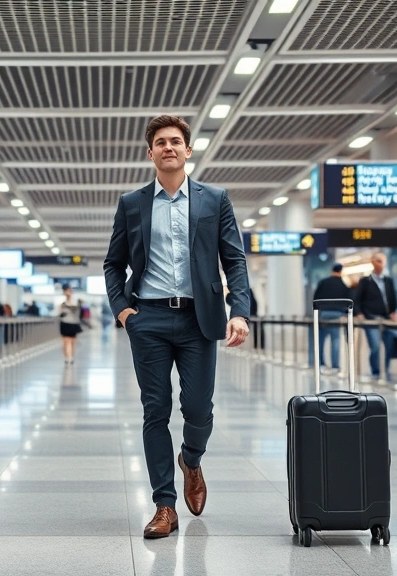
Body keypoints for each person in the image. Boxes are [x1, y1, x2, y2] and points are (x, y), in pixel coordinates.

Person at [103, 114, 250, 539]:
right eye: (160, 143)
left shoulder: (214, 199)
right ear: (150, 154)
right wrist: (122, 311)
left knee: (199, 409)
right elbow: (113, 264)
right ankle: (164, 505)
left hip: (198, 318)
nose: (168, 147)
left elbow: (234, 259)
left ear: (188, 151)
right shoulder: (132, 203)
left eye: (175, 141)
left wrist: (238, 310)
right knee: (155, 410)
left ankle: (192, 458)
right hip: (147, 318)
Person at [355, 252, 397, 380]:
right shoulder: (365, 281)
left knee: (389, 345)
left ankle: (386, 368)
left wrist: (393, 311)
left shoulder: (388, 281)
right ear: (372, 262)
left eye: (382, 261)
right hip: (371, 317)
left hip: (387, 318)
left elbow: (393, 297)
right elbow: (357, 299)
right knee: (375, 346)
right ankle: (376, 371)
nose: (380, 264)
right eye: (378, 261)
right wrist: (359, 313)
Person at [312, 263, 352, 372]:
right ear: (341, 271)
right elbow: (348, 301)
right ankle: (335, 366)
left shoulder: (323, 282)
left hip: (324, 314)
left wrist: (318, 312)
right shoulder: (343, 285)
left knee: (320, 340)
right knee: (335, 340)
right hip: (337, 315)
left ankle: (320, 364)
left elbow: (316, 297)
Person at [58, 285, 83, 364]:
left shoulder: (76, 300)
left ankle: (71, 356)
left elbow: (78, 309)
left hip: (73, 323)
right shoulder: (61, 301)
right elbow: (59, 312)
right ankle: (66, 357)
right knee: (65, 341)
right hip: (65, 322)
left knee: (72, 341)